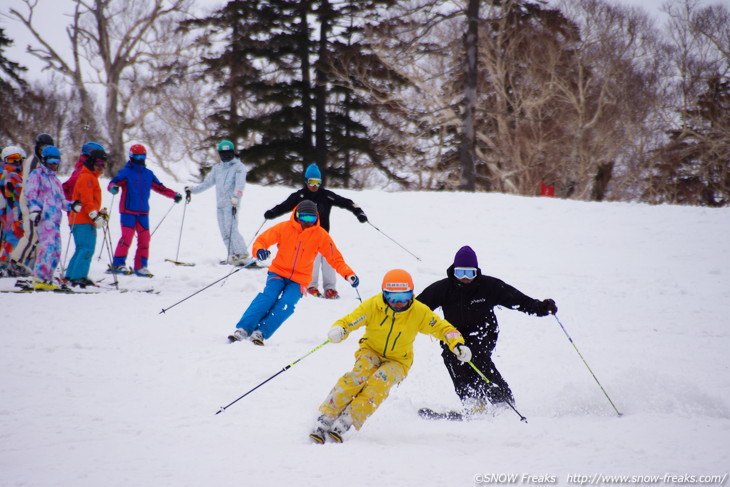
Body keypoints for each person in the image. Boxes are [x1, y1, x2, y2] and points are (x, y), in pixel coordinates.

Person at [309, 269, 472, 444]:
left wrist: (457, 344)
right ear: (384, 294)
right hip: (370, 351)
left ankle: (349, 418)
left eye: (404, 297)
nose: (399, 303)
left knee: (379, 382)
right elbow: (349, 321)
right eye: (393, 297)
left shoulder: (419, 312)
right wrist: (340, 330)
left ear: (411, 294)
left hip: (399, 361)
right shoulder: (373, 306)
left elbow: (443, 328)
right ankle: (328, 414)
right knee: (357, 376)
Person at [416, 245, 558, 413]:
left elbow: (518, 300)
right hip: (454, 335)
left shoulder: (489, 287)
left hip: (484, 333)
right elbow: (417, 309)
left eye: (470, 273)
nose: (465, 278)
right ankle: (472, 401)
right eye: (460, 273)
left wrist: (540, 307)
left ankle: (502, 401)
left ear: (477, 272)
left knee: (476, 356)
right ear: (453, 271)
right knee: (452, 357)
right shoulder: (443, 289)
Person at [228, 200, 359, 346]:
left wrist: (349, 274)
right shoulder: (285, 227)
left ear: (316, 217)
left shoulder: (320, 235)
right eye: (303, 218)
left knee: (287, 304)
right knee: (268, 297)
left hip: (300, 279)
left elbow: (335, 258)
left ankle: (261, 332)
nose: (307, 222)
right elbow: (262, 240)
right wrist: (259, 250)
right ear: (297, 215)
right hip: (278, 272)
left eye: (311, 219)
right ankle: (244, 329)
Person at [263, 163, 368, 299]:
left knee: (329, 259)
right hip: (305, 236)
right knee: (312, 260)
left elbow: (346, 202)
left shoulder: (326, 195)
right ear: (306, 181)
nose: (315, 185)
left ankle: (330, 289)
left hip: (322, 235)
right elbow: (284, 206)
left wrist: (358, 212)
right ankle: (312, 286)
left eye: (318, 182)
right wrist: (272, 212)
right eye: (312, 181)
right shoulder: (299, 196)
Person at [107, 143, 182, 277]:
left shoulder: (148, 174)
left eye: (143, 156)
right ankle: (118, 264)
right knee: (127, 237)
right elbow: (114, 182)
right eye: (137, 156)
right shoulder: (126, 172)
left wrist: (174, 195)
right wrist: (113, 187)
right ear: (131, 156)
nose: (140, 158)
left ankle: (141, 266)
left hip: (143, 212)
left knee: (145, 238)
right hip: (128, 211)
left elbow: (160, 187)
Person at [184, 140, 253, 266]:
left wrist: (236, 197)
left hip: (231, 203)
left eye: (228, 153)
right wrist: (192, 190)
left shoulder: (239, 167)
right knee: (224, 231)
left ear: (233, 152)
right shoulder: (218, 168)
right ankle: (233, 255)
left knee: (231, 228)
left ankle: (243, 254)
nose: (226, 156)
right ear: (220, 154)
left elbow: (240, 185)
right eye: (223, 153)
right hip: (220, 205)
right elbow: (207, 183)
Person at [24, 145, 81, 289]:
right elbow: (31, 195)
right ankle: (40, 277)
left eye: (57, 161)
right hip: (44, 218)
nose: (54, 164)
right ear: (44, 160)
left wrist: (72, 205)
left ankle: (47, 278)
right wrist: (35, 211)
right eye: (51, 161)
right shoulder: (36, 175)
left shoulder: (55, 180)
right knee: (47, 248)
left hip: (55, 220)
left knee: (56, 249)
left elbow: (61, 201)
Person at [10, 133, 55, 275]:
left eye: (47, 148)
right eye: (42, 148)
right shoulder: (33, 161)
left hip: (40, 202)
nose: (43, 151)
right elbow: (30, 184)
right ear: (37, 147)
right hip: (30, 201)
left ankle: (32, 263)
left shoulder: (44, 161)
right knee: (31, 234)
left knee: (40, 235)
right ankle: (15, 262)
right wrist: (33, 204)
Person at [65, 147, 109, 287]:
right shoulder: (87, 177)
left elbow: (88, 201)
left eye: (104, 164)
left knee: (81, 248)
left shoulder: (89, 176)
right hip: (84, 220)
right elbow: (86, 200)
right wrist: (94, 216)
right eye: (98, 163)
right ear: (91, 162)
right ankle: (78, 277)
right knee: (87, 248)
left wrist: (97, 213)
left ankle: (71, 276)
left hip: (80, 219)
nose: (101, 167)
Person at [0, 146, 27, 277]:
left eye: (17, 159)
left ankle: (6, 262)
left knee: (11, 237)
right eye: (11, 159)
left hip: (10, 211)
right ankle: (5, 263)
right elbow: (18, 194)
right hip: (12, 212)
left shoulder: (11, 174)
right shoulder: (10, 175)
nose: (15, 163)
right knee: (13, 237)